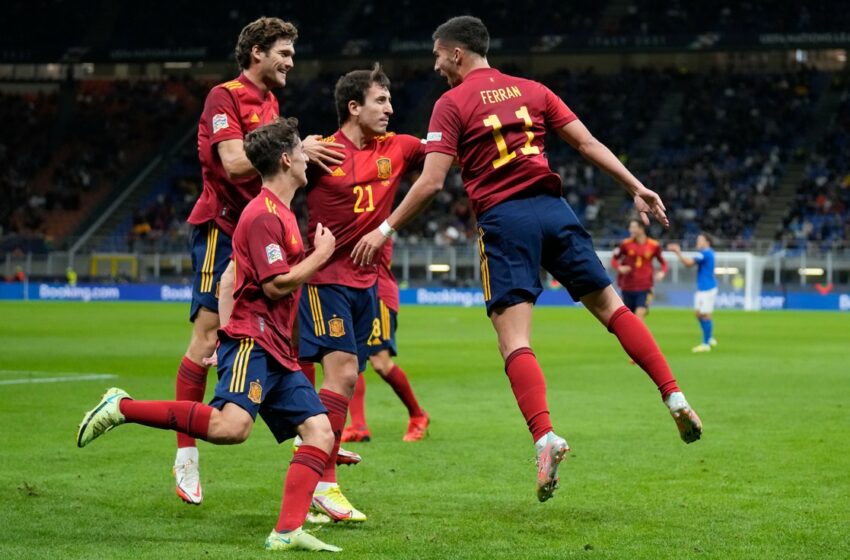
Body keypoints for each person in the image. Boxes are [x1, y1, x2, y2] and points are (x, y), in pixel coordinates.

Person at [352, 16, 702, 503]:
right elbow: (586, 142)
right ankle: (675, 395)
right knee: (613, 308)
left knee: (513, 339)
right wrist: (636, 187)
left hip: (504, 220)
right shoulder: (533, 90)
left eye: (437, 55)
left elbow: (432, 182)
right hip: (555, 211)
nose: (435, 66)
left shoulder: (451, 104)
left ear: (457, 53)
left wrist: (385, 227)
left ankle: (545, 438)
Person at [77, 119, 342, 552]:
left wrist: (222, 333)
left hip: (275, 348)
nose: (307, 158)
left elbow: (228, 279)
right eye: (301, 150)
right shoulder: (262, 216)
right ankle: (121, 407)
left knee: (319, 431)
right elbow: (276, 285)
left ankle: (287, 531)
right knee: (230, 428)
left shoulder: (283, 214)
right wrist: (321, 256)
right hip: (253, 342)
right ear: (286, 159)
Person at [173, 16, 344, 505]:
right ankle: (186, 453)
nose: (291, 61)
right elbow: (232, 162)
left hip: (260, 223)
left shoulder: (270, 102)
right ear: (256, 53)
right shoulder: (223, 97)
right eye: (284, 53)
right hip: (221, 227)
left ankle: (307, 434)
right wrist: (299, 147)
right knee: (206, 337)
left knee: (288, 337)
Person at [297, 64, 426, 522]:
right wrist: (296, 145)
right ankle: (324, 481)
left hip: (366, 286)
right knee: (342, 376)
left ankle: (314, 467)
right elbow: (255, 164)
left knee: (344, 377)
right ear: (354, 107)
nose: (390, 109)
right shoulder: (319, 154)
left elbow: (447, 148)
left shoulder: (400, 148)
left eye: (389, 101)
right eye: (380, 101)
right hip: (322, 281)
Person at [343, 239, 429, 443]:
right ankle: (358, 425)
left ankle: (418, 415)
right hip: (353, 291)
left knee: (380, 362)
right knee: (351, 359)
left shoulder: (375, 217)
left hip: (377, 293)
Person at [667, 234, 718, 352]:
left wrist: (677, 252)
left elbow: (688, 263)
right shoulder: (707, 253)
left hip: (707, 289)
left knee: (704, 314)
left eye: (700, 240)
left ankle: (706, 344)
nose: (697, 241)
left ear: (707, 242)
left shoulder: (705, 253)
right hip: (704, 288)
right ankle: (709, 338)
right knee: (698, 314)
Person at [611, 219, 667, 320]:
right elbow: (614, 260)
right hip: (627, 286)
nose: (630, 230)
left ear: (641, 229)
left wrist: (662, 272)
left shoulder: (654, 245)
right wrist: (620, 268)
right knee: (628, 320)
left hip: (645, 287)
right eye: (630, 227)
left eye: (633, 227)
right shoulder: (625, 244)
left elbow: (663, 262)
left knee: (639, 317)